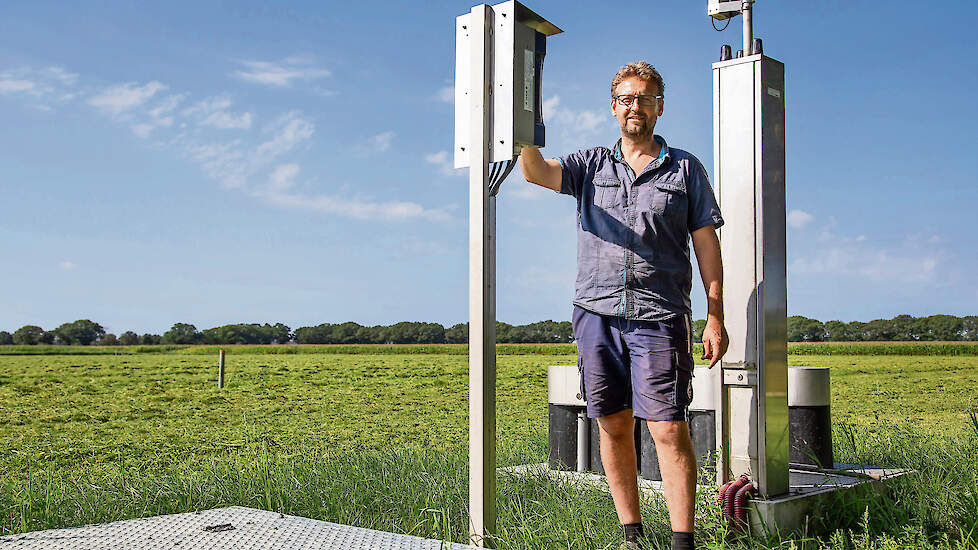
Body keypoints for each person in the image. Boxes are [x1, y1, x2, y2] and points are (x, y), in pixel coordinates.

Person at [518, 61, 729, 550]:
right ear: (614, 107)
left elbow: (706, 246)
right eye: (627, 98)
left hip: (659, 315)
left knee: (668, 427)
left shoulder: (685, 169)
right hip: (596, 313)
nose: (636, 106)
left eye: (646, 98)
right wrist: (523, 127)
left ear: (660, 106)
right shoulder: (590, 165)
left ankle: (682, 542)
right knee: (611, 423)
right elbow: (536, 172)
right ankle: (632, 536)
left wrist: (714, 314)